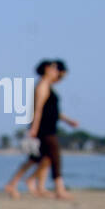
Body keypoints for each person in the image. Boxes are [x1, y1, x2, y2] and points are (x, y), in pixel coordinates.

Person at [31, 61, 78, 197]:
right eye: (54, 69)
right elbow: (38, 109)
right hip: (45, 128)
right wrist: (34, 128)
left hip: (49, 127)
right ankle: (59, 189)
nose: (56, 73)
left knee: (46, 159)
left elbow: (53, 111)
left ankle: (37, 185)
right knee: (54, 157)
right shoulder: (42, 86)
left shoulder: (49, 86)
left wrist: (68, 121)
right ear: (47, 69)